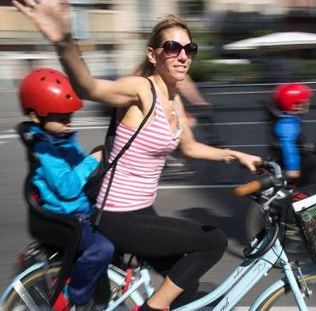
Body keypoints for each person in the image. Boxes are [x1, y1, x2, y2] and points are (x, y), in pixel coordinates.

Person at [11, 2, 262, 310]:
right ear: (152, 54)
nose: (183, 55)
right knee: (214, 241)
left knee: (185, 281)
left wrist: (236, 155)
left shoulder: (174, 100)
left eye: (189, 48)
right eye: (172, 47)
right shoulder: (141, 91)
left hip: (143, 211)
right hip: (118, 216)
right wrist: (64, 41)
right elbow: (89, 87)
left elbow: (190, 147)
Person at [17, 68, 114, 310]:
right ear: (36, 116)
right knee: (102, 248)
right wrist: (93, 159)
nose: (68, 122)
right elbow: (69, 187)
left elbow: (81, 173)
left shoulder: (61, 139)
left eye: (69, 116)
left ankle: (100, 288)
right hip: (67, 216)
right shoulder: (45, 148)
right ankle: (76, 298)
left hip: (79, 209)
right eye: (61, 118)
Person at [271, 82, 313, 184]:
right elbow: (288, 146)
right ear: (295, 106)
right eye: (305, 102)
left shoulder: (291, 121)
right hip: (297, 173)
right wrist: (293, 168)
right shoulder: (287, 124)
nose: (308, 103)